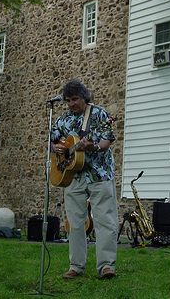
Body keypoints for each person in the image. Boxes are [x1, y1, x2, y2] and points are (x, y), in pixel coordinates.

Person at [50, 79, 118, 280]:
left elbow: (105, 141)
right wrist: (56, 147)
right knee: (75, 222)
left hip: (99, 173)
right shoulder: (63, 120)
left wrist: (92, 147)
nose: (72, 104)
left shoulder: (99, 114)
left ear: (84, 97)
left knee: (105, 219)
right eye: (68, 100)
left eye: (75, 99)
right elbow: (50, 140)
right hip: (72, 176)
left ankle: (106, 266)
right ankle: (76, 265)